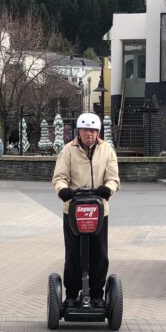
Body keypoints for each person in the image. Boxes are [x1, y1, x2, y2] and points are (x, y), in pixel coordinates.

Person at [52, 113, 120, 308]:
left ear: (98, 132)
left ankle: (97, 294)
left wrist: (108, 189)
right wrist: (63, 190)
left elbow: (113, 177)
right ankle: (72, 294)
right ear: (78, 132)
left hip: (99, 210)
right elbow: (59, 177)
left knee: (99, 254)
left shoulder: (107, 150)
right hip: (73, 209)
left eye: (92, 130)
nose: (88, 134)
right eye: (85, 130)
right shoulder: (68, 150)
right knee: (73, 254)